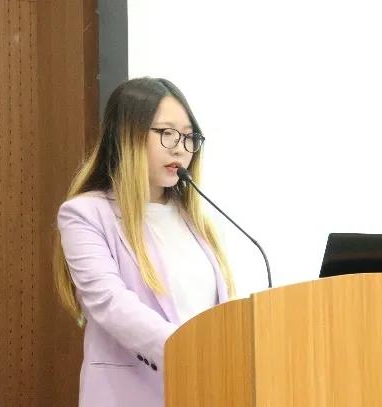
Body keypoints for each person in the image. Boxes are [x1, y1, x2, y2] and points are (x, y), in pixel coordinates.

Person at [53, 77, 236, 406]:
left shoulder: (197, 221)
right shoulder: (85, 214)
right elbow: (110, 303)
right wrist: (191, 351)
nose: (180, 148)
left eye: (188, 136)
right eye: (166, 133)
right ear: (127, 134)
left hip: (205, 391)